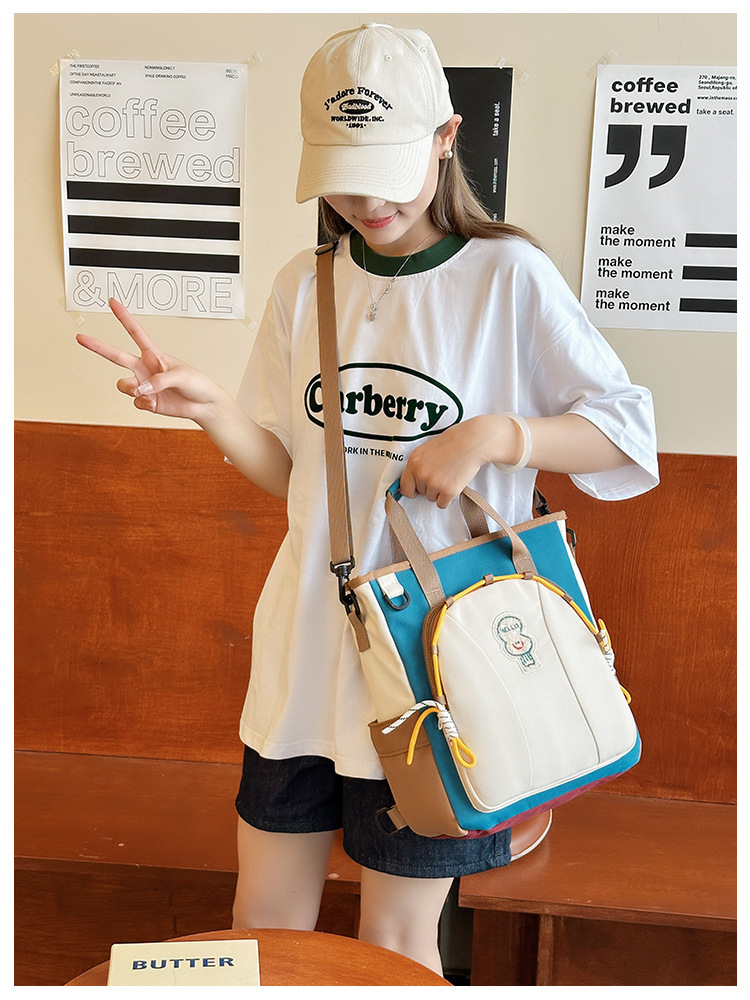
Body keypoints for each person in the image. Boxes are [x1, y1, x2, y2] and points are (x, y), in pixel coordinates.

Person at [77, 23, 659, 975]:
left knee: (394, 945)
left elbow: (627, 436)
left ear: (447, 137)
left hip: (437, 669)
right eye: (346, 178)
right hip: (304, 654)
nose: (370, 202)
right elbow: (299, 479)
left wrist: (498, 437)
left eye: (389, 169)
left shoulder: (507, 278)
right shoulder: (303, 286)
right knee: (263, 929)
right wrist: (212, 408)